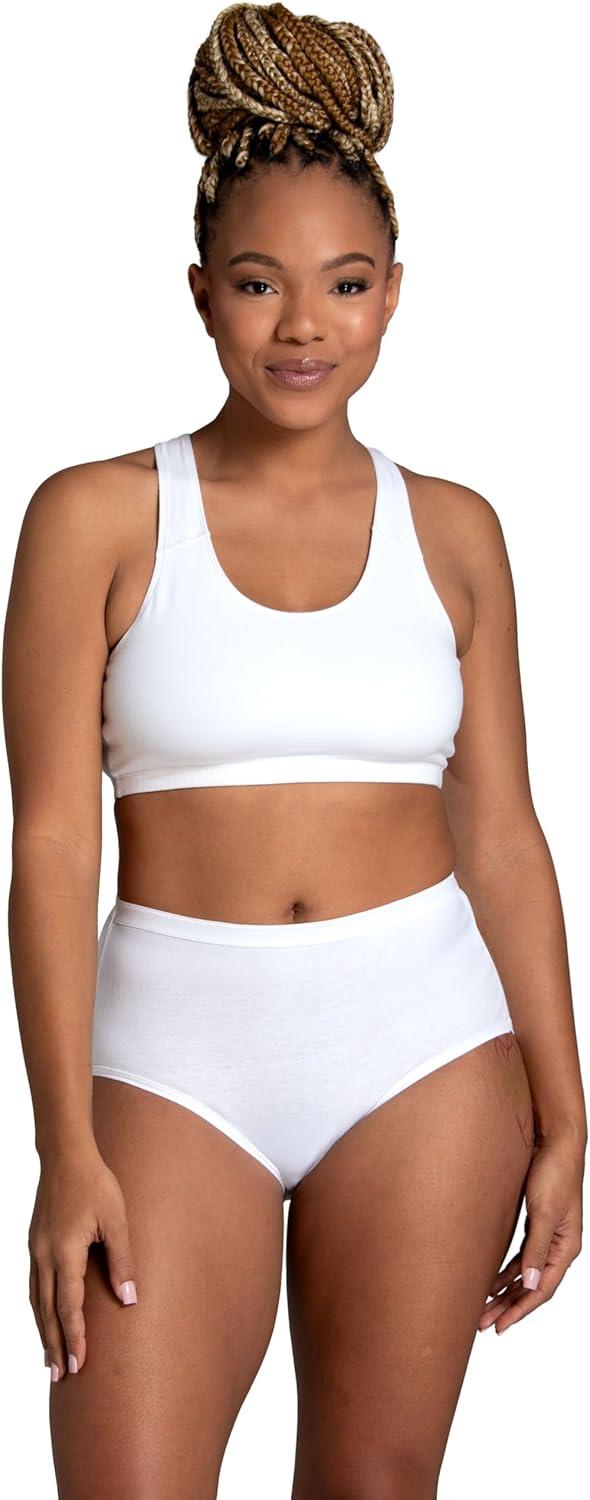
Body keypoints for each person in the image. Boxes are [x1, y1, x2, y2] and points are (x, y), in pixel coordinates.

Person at [3, 3, 587, 1495]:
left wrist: (568, 1112)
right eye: (260, 283)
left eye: (345, 284)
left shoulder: (455, 532)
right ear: (201, 293)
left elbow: (502, 833)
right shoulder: (94, 517)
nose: (303, 327)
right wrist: (61, 1144)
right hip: (170, 1055)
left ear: (394, 295)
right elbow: (53, 841)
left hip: (424, 1047)